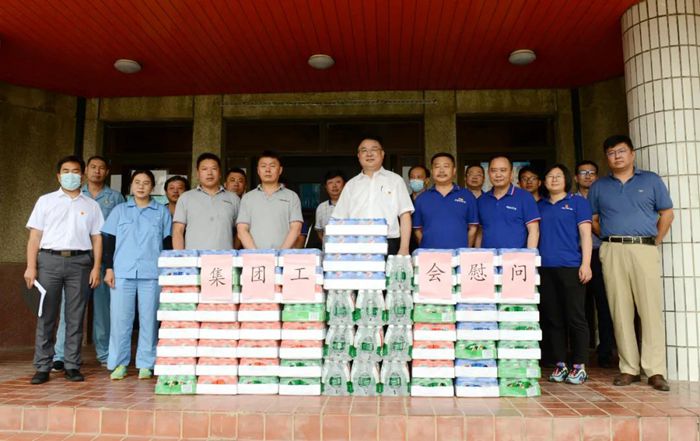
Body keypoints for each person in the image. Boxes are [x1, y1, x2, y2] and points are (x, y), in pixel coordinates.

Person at [589, 135, 674, 391]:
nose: (617, 156)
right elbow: (593, 220)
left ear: (632, 153)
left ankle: (655, 370)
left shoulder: (651, 180)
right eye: (611, 153)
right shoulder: (599, 186)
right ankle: (629, 368)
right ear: (607, 157)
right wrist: (608, 238)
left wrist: (655, 241)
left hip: (644, 248)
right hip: (612, 249)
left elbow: (667, 213)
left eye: (621, 151)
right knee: (620, 309)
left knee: (650, 310)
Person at [24, 155, 104, 384]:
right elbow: (34, 237)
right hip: (49, 261)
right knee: (46, 315)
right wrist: (31, 266)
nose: (71, 175)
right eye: (66, 171)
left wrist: (96, 267)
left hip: (80, 263)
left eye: (75, 171)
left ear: (82, 175)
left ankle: (71, 364)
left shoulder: (91, 205)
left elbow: (97, 238)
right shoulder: (45, 201)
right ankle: (42, 366)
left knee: (75, 317)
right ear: (59, 176)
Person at [52, 155, 125, 370]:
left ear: (107, 172)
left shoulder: (115, 197)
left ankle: (104, 353)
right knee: (69, 308)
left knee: (103, 310)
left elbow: (120, 230)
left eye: (102, 168)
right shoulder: (75, 194)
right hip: (77, 259)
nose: (97, 171)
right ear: (85, 172)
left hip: (103, 261)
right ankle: (61, 355)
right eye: (93, 167)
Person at [102, 170, 172, 380]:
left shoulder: (161, 212)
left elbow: (168, 243)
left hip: (152, 273)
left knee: (149, 320)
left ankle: (146, 363)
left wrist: (167, 271)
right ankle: (119, 363)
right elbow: (108, 241)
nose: (141, 186)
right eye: (137, 182)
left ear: (153, 187)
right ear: (131, 186)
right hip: (122, 272)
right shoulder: (120, 210)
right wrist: (108, 268)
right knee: (120, 319)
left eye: (146, 183)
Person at [538, 164, 593, 384]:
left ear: (567, 179)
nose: (554, 179)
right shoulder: (539, 205)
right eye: (550, 176)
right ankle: (560, 364)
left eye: (558, 176)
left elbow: (586, 235)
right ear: (544, 181)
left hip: (571, 267)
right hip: (545, 268)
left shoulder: (578, 202)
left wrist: (586, 264)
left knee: (575, 317)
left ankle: (579, 365)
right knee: (553, 318)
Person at [331, 135, 414, 255]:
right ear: (359, 156)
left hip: (388, 242)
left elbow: (405, 214)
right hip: (356, 243)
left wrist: (404, 248)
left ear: (382, 154)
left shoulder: (396, 180)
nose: (369, 154)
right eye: (364, 150)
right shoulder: (351, 185)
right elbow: (339, 218)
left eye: (374, 149)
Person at [575, 160, 615, 368]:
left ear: (597, 177)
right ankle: (579, 350)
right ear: (576, 178)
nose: (588, 175)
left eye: (591, 172)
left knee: (603, 303)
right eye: (583, 172)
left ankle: (605, 350)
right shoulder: (570, 200)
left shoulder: (603, 198)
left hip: (599, 254)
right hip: (576, 256)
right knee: (578, 305)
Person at [237, 151, 303, 249]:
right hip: (254, 256)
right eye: (263, 166)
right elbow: (242, 230)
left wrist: (280, 253)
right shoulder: (247, 198)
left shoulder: (292, 196)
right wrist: (256, 254)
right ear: (258, 170)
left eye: (272, 166)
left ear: (280, 170)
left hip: (283, 256)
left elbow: (296, 228)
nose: (267, 170)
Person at [173, 153, 240, 250]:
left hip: (225, 257)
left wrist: (232, 249)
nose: (209, 173)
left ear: (220, 173)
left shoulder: (233, 198)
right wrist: (181, 256)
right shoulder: (186, 198)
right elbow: (178, 231)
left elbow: (241, 230)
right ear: (197, 174)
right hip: (194, 257)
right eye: (204, 169)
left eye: (214, 169)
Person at [412, 152, 478, 249]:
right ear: (432, 171)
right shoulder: (422, 198)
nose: (441, 170)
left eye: (446, 166)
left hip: (458, 255)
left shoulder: (467, 196)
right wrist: (427, 249)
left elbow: (473, 228)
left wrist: (464, 251)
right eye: (437, 166)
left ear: (454, 170)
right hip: (430, 255)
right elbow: (417, 230)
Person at [477, 155, 540, 248]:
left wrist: (530, 254)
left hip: (516, 256)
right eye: (494, 170)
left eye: (503, 170)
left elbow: (534, 230)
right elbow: (480, 232)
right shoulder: (482, 200)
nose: (498, 175)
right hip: (488, 256)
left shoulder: (525, 197)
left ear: (511, 173)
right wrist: (478, 253)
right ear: (488, 173)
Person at [315, 170, 346, 241]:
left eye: (338, 182)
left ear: (345, 185)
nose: (334, 185)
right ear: (326, 186)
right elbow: (319, 231)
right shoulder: (321, 207)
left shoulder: (352, 205)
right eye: (330, 182)